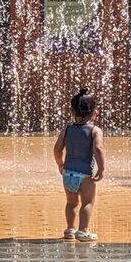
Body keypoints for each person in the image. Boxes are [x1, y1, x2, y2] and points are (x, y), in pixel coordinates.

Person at [53, 89, 106, 242]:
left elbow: (57, 149)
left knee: (71, 202)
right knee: (87, 202)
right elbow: (98, 149)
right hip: (85, 175)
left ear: (72, 111)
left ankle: (70, 229)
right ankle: (83, 231)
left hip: (68, 173)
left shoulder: (67, 129)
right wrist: (101, 169)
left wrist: (60, 165)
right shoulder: (95, 130)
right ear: (94, 112)